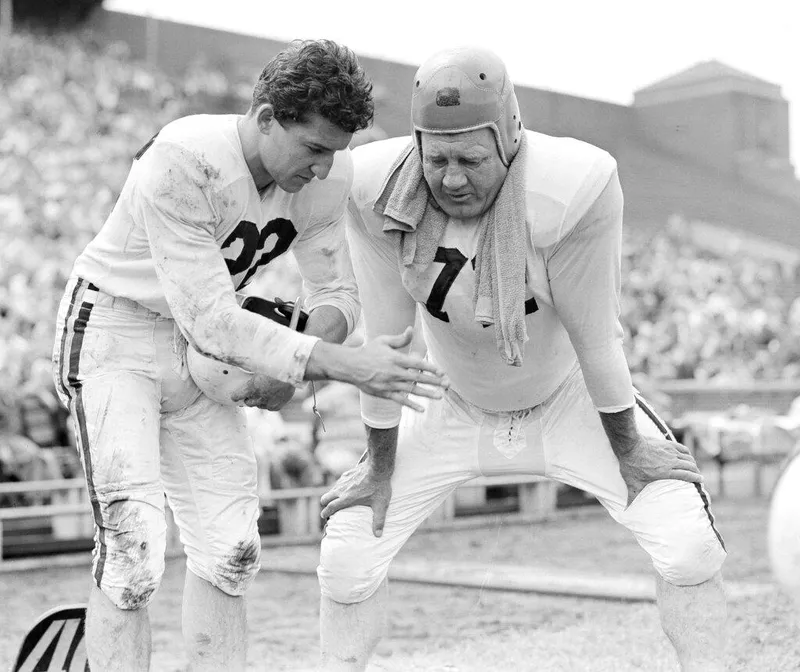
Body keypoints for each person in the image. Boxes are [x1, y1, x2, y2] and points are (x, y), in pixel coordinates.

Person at [317, 46, 728, 671]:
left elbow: (597, 336)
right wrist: (378, 462)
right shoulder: (377, 188)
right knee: (346, 557)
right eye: (439, 159)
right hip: (448, 398)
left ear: (511, 139)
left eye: (472, 159)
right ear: (416, 147)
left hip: (570, 397)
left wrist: (629, 447)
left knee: (689, 547)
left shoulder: (572, 187)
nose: (453, 179)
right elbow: (389, 342)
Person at [51, 39, 447, 672]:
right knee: (133, 552)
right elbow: (210, 318)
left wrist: (301, 352)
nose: (323, 169)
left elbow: (335, 293)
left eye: (334, 152)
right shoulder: (184, 160)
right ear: (266, 117)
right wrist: (336, 363)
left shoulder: (326, 176)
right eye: (313, 148)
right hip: (114, 334)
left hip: (206, 345)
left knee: (231, 550)